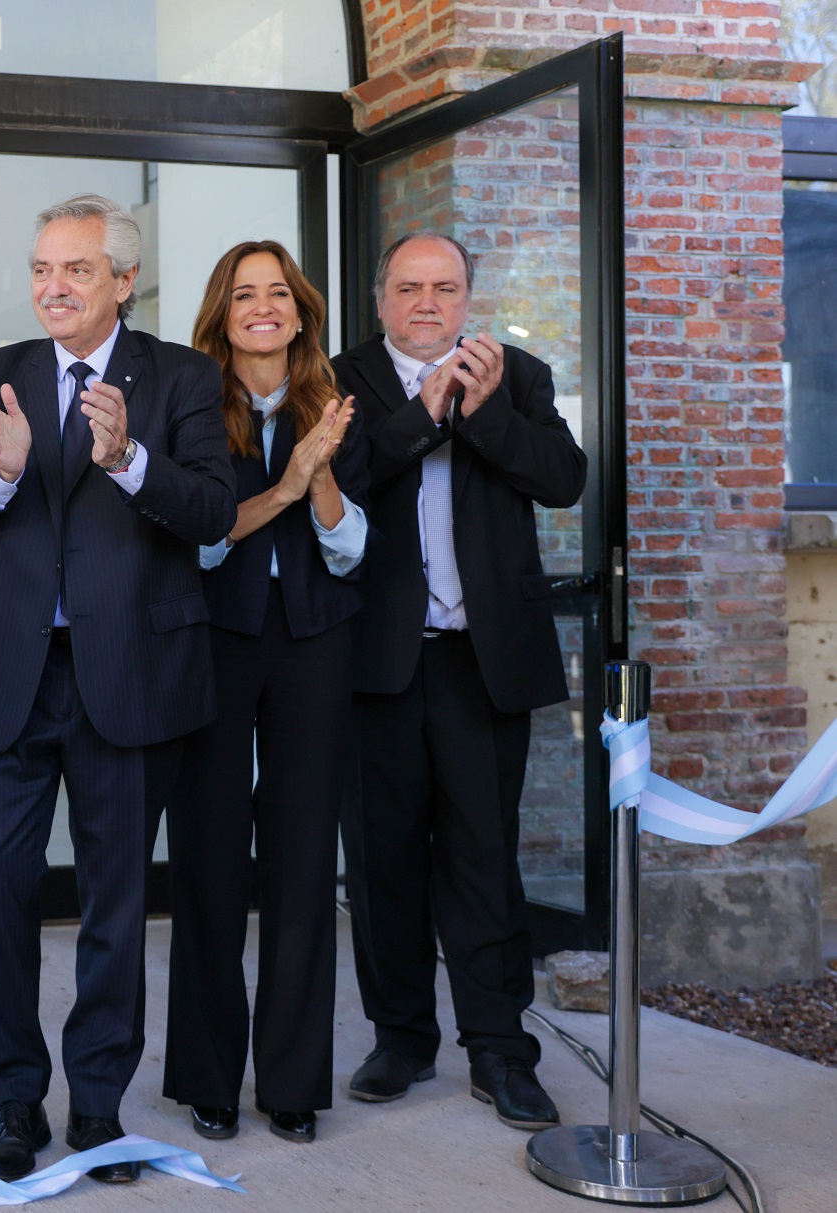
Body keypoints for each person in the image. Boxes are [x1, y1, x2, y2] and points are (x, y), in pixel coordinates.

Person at [0, 194, 235, 1183]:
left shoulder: (182, 379)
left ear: (122, 280)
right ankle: (15, 1102)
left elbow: (213, 514)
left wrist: (129, 460)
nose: (51, 288)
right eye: (40, 270)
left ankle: (95, 1109)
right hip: (11, 680)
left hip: (129, 678)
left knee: (111, 903)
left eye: (75, 271)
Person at [331, 231, 586, 1130]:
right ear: (380, 298)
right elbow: (337, 480)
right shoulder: (341, 378)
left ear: (469, 298)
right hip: (377, 665)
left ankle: (499, 1050)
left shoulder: (515, 375)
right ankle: (402, 1036)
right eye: (409, 287)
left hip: (482, 663)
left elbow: (564, 479)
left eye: (445, 287)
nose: (428, 303)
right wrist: (424, 413)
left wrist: (480, 412)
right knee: (384, 862)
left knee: (484, 861)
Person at [159, 241, 367, 1147]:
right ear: (222, 311)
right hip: (214, 637)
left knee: (299, 856)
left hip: (313, 641)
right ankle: (208, 1075)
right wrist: (285, 485)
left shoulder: (338, 402)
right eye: (244, 294)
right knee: (207, 855)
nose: (262, 307)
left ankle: (291, 1081)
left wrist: (318, 474)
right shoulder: (192, 403)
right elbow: (199, 539)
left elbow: (352, 547)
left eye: (277, 292)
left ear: (299, 308)